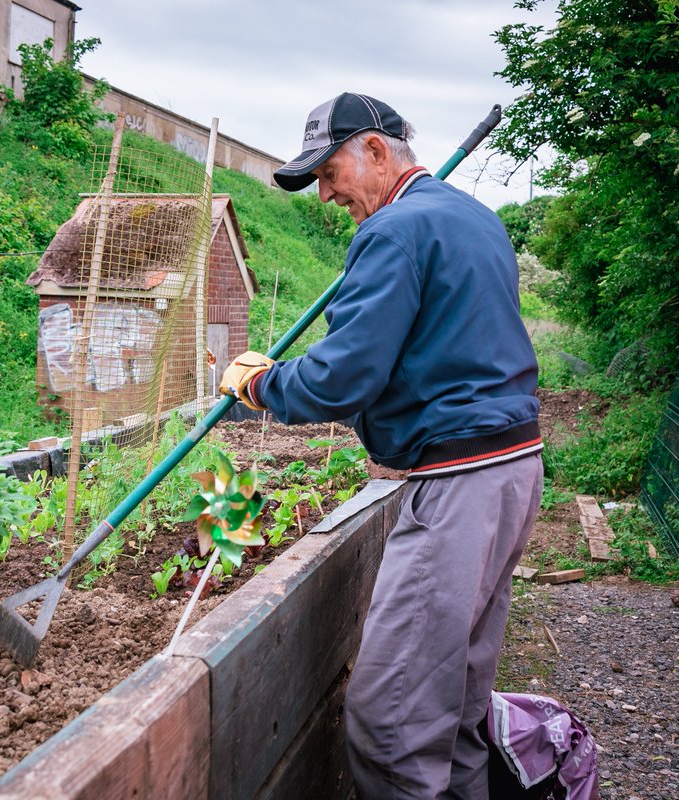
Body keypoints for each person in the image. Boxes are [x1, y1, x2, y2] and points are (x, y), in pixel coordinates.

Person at [220, 93, 544, 799]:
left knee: (390, 726)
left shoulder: (395, 231)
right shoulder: (473, 219)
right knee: (454, 709)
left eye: (330, 172)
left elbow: (344, 377)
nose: (327, 193)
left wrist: (262, 383)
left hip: (460, 479)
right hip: (515, 467)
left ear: (374, 149)